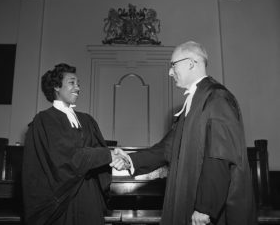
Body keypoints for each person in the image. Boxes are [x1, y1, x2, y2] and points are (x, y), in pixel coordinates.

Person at [110, 41, 257, 225]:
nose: (170, 72)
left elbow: (219, 157)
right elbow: (166, 149)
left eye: (173, 65)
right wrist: (130, 160)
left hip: (208, 212)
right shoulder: (195, 101)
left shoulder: (217, 98)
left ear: (190, 63)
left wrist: (205, 207)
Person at [22, 63, 124, 225]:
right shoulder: (44, 120)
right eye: (72, 83)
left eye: (78, 84)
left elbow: (100, 153)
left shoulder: (87, 120)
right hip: (62, 201)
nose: (77, 88)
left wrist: (112, 158)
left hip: (89, 197)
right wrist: (108, 155)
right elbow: (66, 157)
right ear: (56, 86)